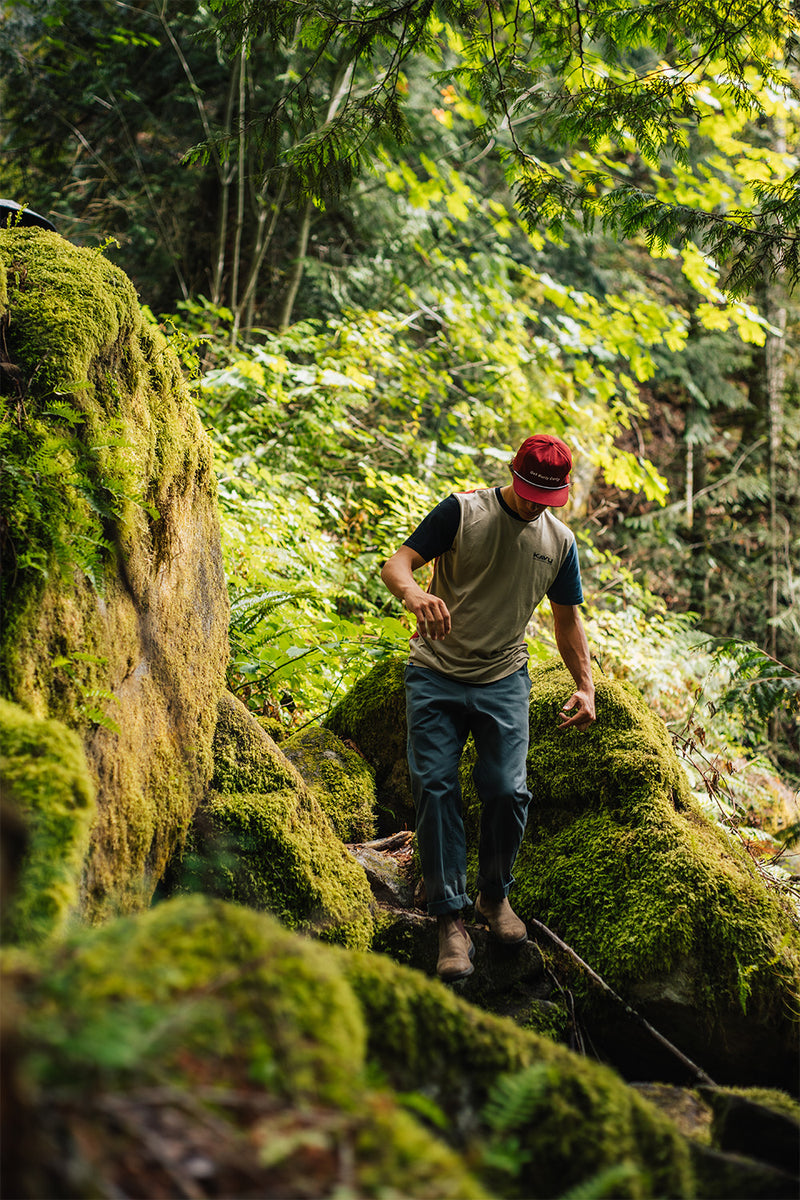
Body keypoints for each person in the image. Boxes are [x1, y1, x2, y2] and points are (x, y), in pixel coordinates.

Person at [381, 434, 596, 981]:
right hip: (435, 673)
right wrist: (413, 594)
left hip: (503, 678)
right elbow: (398, 564)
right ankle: (448, 920)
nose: (532, 506)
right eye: (527, 493)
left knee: (507, 788)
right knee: (434, 784)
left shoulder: (560, 542)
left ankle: (494, 897)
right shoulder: (463, 511)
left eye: (545, 499)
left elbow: (567, 618)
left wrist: (585, 684)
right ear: (512, 475)